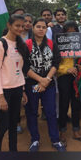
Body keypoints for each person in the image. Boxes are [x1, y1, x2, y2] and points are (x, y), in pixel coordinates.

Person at [24, 18, 66, 152]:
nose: (41, 29)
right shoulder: (26, 44)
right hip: (33, 85)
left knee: (51, 112)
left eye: (43, 27)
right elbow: (24, 66)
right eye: (38, 27)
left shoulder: (51, 44)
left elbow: (56, 63)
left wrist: (46, 80)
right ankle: (35, 140)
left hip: (48, 84)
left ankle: (55, 140)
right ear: (33, 28)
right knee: (32, 111)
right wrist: (40, 80)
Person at [0, 14, 29, 151]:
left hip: (18, 89)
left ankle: (13, 150)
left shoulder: (21, 44)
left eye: (22, 26)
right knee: (3, 125)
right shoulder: (0, 44)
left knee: (14, 123)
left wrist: (23, 90)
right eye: (17, 25)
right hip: (4, 91)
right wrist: (0, 96)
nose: (20, 28)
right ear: (9, 25)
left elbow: (19, 69)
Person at [56, 21, 81, 144]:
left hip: (78, 78)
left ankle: (76, 131)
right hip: (64, 77)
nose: (71, 34)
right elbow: (55, 65)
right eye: (68, 32)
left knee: (76, 105)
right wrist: (66, 69)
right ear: (64, 33)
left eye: (74, 32)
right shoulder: (59, 44)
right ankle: (62, 132)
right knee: (63, 105)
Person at [17, 13, 34, 133]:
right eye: (25, 21)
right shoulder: (15, 34)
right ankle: (17, 122)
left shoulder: (33, 35)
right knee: (18, 97)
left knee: (28, 97)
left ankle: (30, 121)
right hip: (15, 70)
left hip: (29, 70)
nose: (27, 23)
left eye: (30, 21)